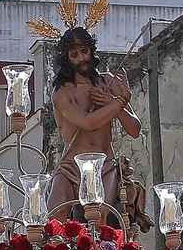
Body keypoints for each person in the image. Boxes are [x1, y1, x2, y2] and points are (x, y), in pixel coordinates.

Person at [46, 25, 140, 221]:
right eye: (74, 54)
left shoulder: (107, 82)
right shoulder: (63, 92)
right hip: (71, 166)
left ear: (91, 50)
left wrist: (116, 104)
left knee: (99, 219)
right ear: (66, 58)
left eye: (84, 51)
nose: (81, 58)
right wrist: (119, 102)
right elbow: (90, 123)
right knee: (55, 218)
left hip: (104, 164)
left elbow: (134, 129)